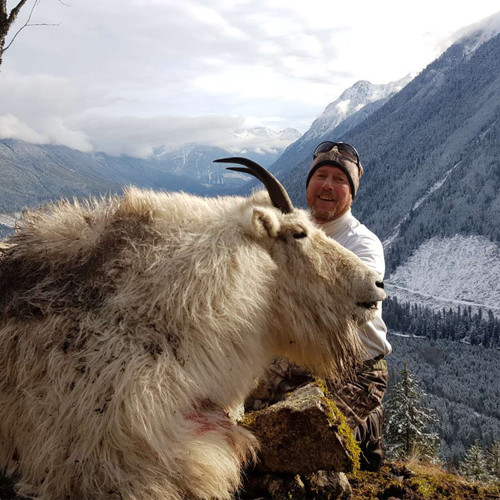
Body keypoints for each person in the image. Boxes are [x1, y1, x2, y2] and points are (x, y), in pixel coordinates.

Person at [245, 141, 391, 471]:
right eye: (321, 175)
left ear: (352, 191)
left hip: (352, 365)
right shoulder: (290, 231)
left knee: (292, 448)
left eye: (340, 179)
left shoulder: (362, 245)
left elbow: (339, 310)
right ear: (308, 183)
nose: (327, 185)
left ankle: (365, 429)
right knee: (243, 422)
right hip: (293, 357)